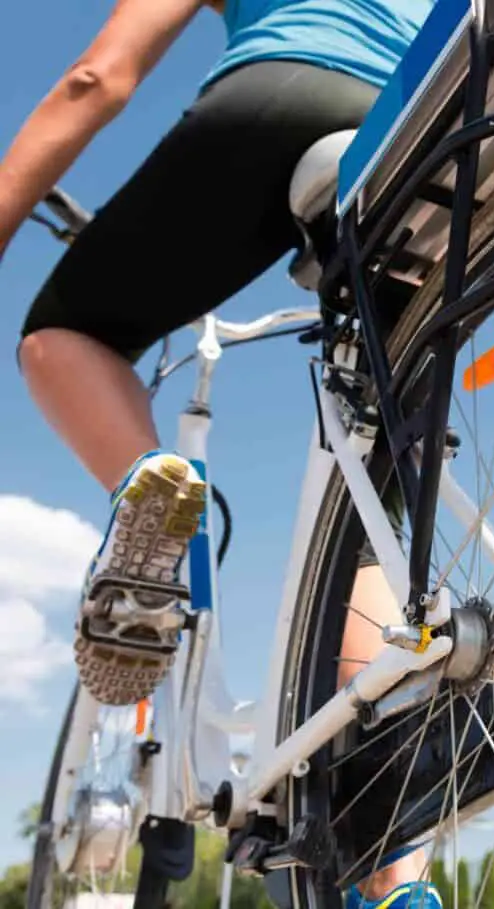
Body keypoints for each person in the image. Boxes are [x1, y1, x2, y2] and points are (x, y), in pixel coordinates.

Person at [0, 1, 440, 906]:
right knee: (365, 537)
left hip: (285, 101)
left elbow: (99, 77)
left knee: (64, 334)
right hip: (431, 136)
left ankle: (149, 489)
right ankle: (398, 885)